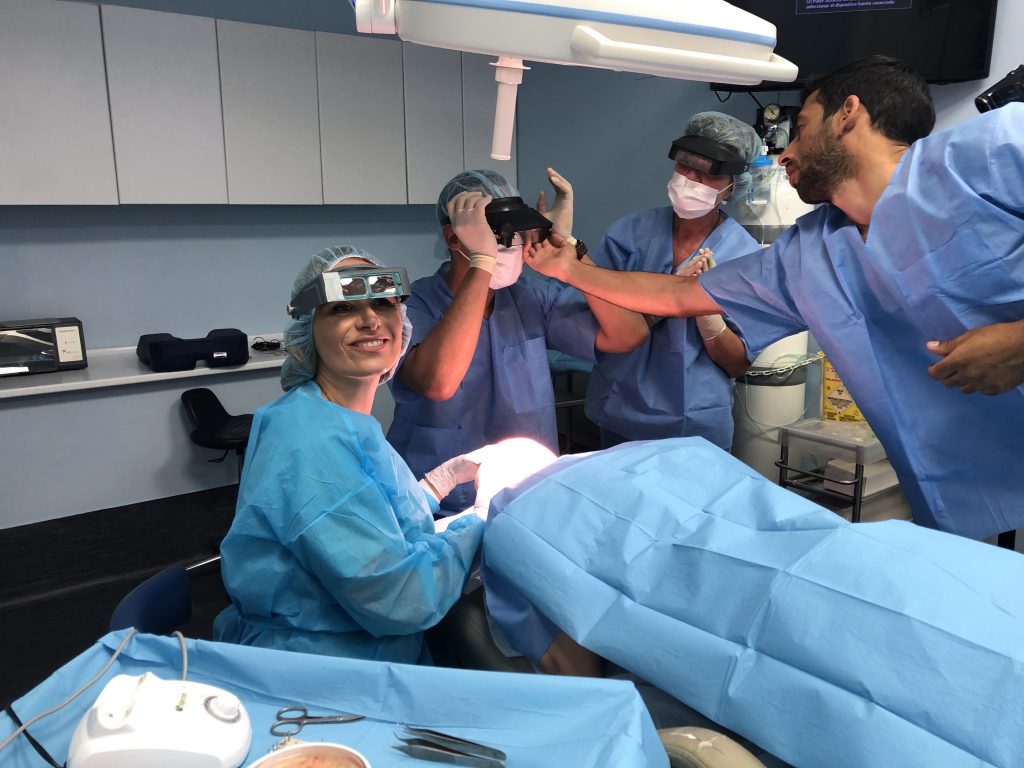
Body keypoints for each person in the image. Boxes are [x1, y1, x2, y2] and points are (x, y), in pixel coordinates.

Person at [525, 55, 1024, 540]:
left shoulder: (988, 153)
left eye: (801, 128)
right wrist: (568, 266)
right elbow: (678, 295)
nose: (784, 155)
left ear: (847, 114)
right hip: (963, 491)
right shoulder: (808, 253)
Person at [214, 246, 488, 663]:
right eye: (342, 308)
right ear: (308, 328)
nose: (370, 320)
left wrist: (438, 484)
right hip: (324, 667)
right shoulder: (311, 439)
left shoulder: (333, 416)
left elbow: (364, 513)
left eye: (383, 303)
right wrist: (481, 519)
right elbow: (400, 597)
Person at [387, 169, 648, 514]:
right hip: (434, 501)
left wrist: (571, 255)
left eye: (519, 235)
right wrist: (482, 263)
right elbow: (439, 382)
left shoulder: (529, 298)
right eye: (500, 236)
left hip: (525, 496)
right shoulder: (413, 306)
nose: (514, 246)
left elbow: (629, 334)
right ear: (454, 239)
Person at [578, 111, 762, 449]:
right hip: (621, 408)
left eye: (708, 173)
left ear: (733, 184)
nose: (690, 179)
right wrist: (665, 299)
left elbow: (737, 363)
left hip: (694, 424)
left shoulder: (744, 256)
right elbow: (591, 316)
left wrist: (708, 316)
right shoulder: (630, 234)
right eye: (685, 165)